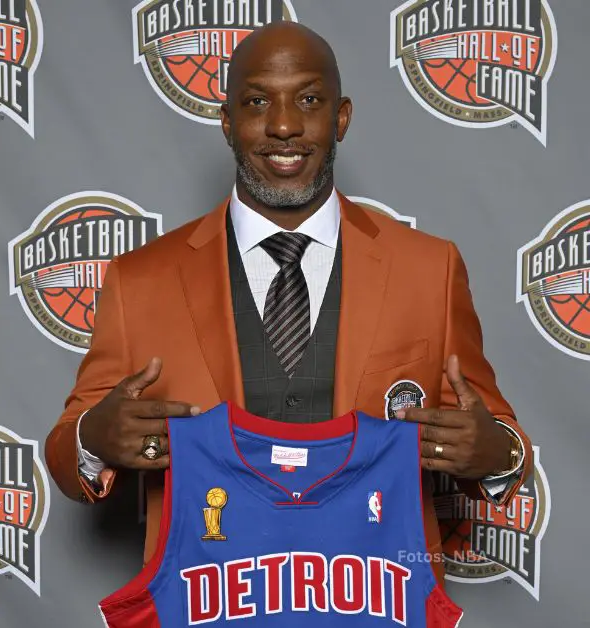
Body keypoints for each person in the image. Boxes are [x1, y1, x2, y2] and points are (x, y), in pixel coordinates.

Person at [44, 21, 531, 587]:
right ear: (228, 123)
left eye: (308, 100)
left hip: (378, 601)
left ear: (341, 117)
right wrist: (92, 441)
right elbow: (66, 448)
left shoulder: (429, 268)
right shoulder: (141, 279)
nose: (283, 126)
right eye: (256, 102)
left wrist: (497, 453)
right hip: (206, 600)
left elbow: (498, 433)